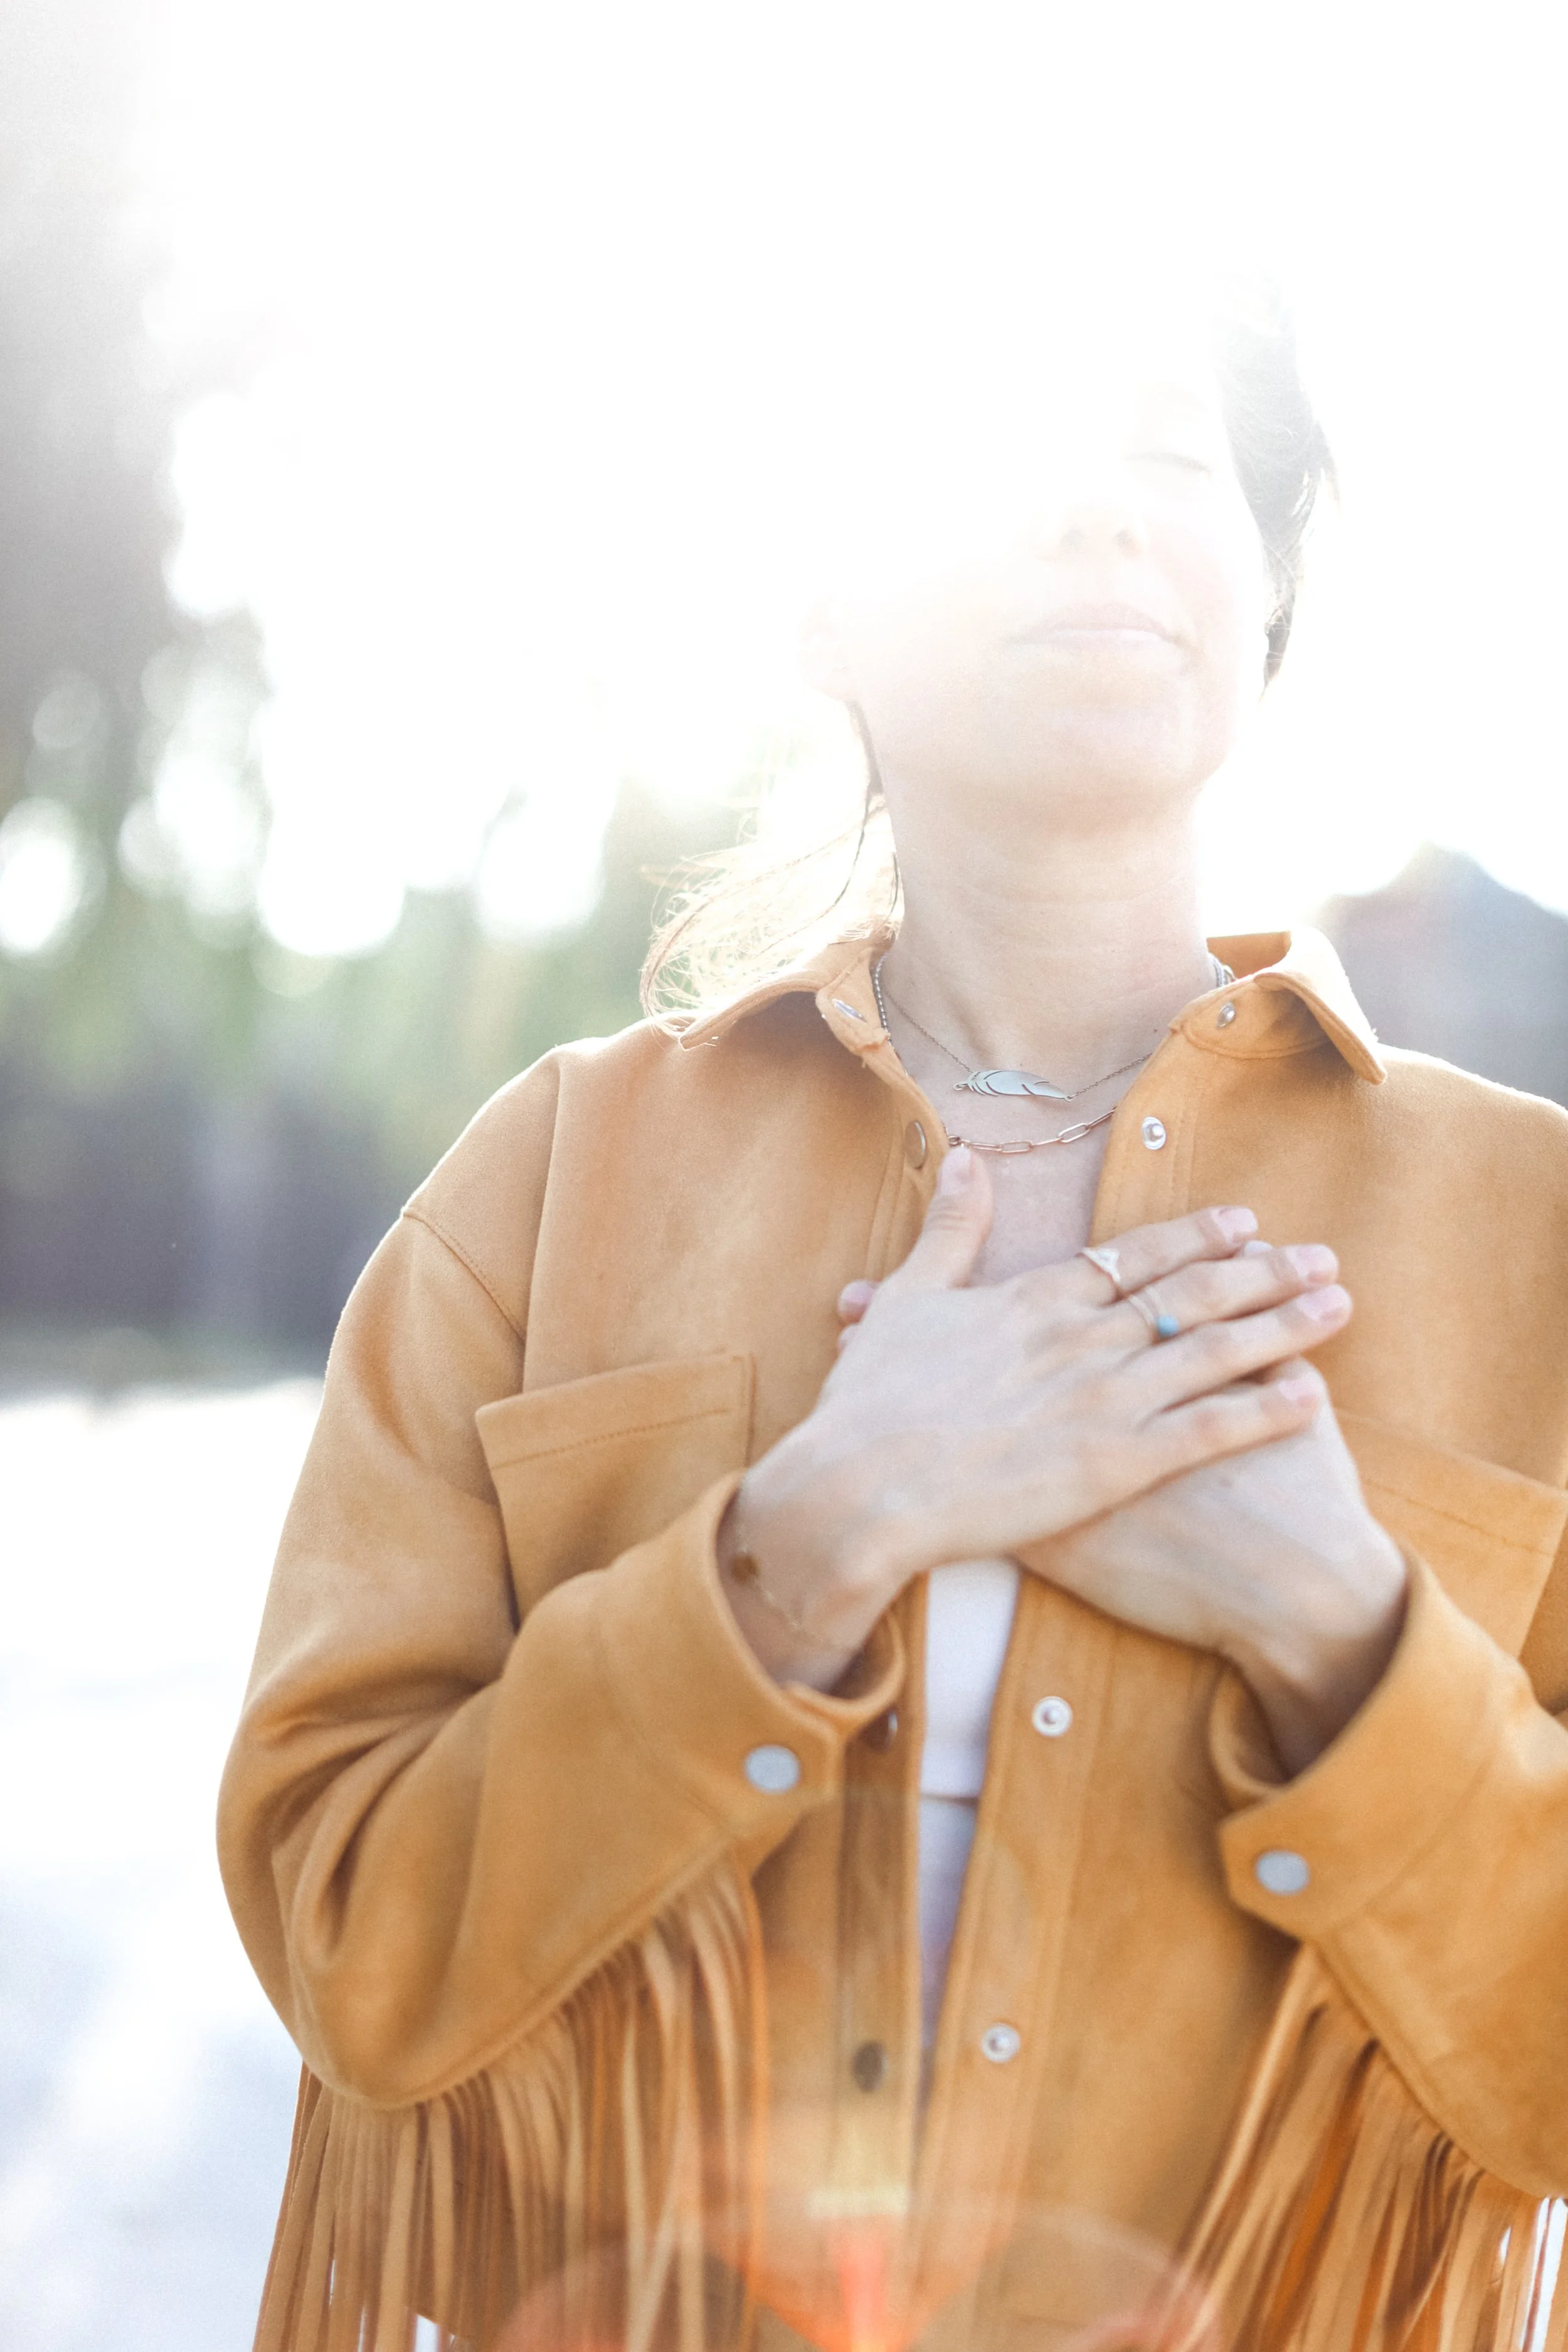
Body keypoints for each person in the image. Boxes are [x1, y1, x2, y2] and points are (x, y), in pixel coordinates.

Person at [220, 272, 1568, 2352]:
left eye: (1166, 455)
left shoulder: (1535, 1235)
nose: (1099, 515)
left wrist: (1334, 1627)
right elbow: (349, 1930)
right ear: (823, 607)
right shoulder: (547, 1185)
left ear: (1261, 593)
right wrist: (800, 1547)